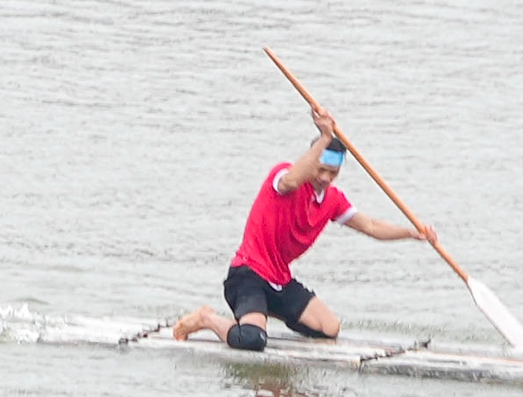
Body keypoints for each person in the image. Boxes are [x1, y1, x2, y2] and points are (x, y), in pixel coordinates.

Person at [172, 106, 436, 351]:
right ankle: (207, 318)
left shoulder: (333, 201)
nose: (324, 178)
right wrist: (323, 137)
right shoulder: (284, 176)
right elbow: (291, 181)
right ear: (312, 161)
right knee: (252, 340)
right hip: (247, 275)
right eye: (320, 169)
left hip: (280, 280)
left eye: (332, 173)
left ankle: (260, 311)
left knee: (328, 328)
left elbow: (370, 225)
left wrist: (412, 233)